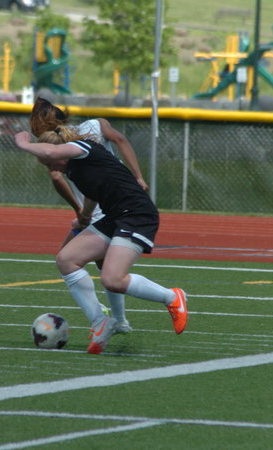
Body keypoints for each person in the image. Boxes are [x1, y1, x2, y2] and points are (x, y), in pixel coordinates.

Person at [14, 126, 187, 355]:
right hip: (114, 216)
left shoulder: (85, 148)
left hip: (137, 215)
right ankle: (100, 322)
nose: (51, 168)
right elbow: (93, 194)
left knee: (113, 279)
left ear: (60, 152)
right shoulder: (74, 170)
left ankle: (172, 297)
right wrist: (84, 217)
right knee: (66, 260)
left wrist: (23, 144)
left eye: (49, 163)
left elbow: (49, 152)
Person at [29, 97, 149, 335]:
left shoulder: (54, 144)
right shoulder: (95, 125)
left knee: (69, 260)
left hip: (98, 209)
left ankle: (104, 317)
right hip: (112, 202)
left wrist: (79, 212)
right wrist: (138, 176)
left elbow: (56, 177)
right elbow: (121, 139)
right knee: (97, 265)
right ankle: (118, 320)